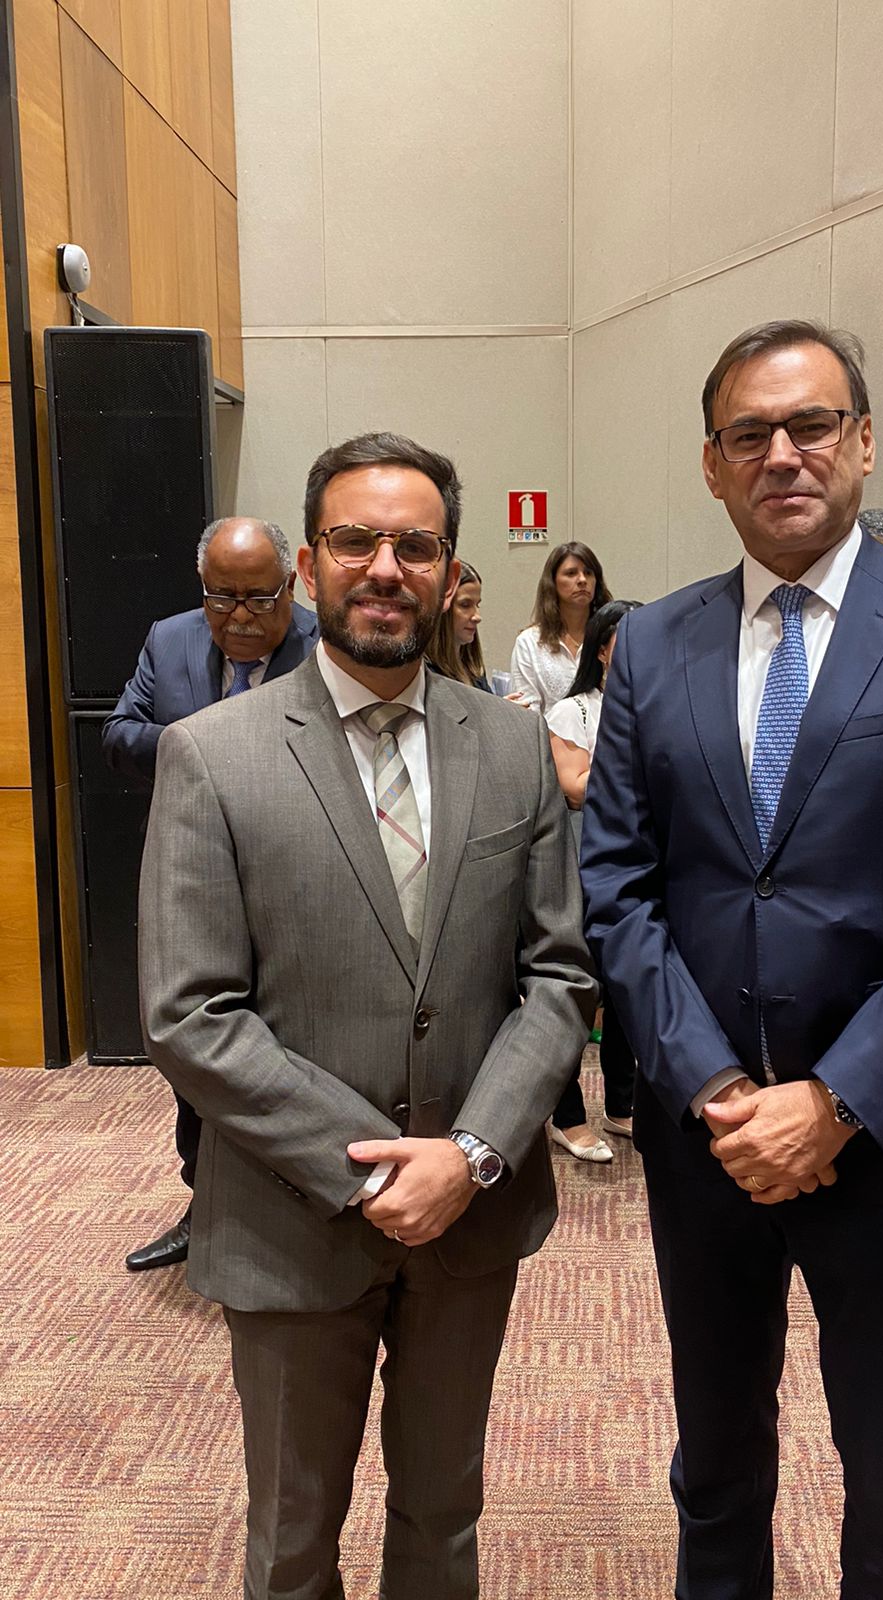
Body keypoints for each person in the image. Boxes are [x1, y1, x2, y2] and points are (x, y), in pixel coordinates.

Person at [581, 319, 883, 1600]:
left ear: (863, 440)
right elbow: (616, 887)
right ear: (712, 463)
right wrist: (712, 1085)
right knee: (716, 1458)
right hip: (708, 1139)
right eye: (750, 433)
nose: (782, 454)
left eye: (811, 425)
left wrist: (837, 1101)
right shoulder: (654, 644)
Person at [138, 430, 594, 1600]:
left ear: (448, 571)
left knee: (444, 1517)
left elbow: (558, 975)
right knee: (292, 1537)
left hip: (472, 1218)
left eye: (415, 546)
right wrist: (377, 1166)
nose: (385, 567)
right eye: (355, 541)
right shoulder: (210, 755)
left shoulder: (515, 748)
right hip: (290, 1217)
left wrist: (472, 1153)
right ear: (309, 564)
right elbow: (190, 1012)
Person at [103, 516, 319, 1272]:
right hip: (193, 886)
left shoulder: (326, 646)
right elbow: (119, 733)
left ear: (289, 586)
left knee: (283, 1058)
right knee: (194, 1056)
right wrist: (197, 745)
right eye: (221, 598)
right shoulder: (169, 641)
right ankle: (206, 1206)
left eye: (259, 598)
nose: (240, 617)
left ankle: (294, 1217)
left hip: (293, 892)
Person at [544, 599, 641, 1162]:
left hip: (642, 863)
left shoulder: (657, 703)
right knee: (577, 989)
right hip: (584, 862)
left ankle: (622, 1104)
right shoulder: (574, 711)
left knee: (630, 989)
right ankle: (567, 1117)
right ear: (602, 649)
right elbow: (574, 786)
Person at [508, 540, 612, 711]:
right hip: (547, 728)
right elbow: (526, 712)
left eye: (588, 573)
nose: (582, 580)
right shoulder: (529, 642)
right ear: (553, 582)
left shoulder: (612, 637)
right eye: (571, 573)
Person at [426, 559, 491, 690]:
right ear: (442, 607)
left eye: (477, 605)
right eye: (465, 605)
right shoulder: (427, 676)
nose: (477, 617)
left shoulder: (473, 669)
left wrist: (499, 702)